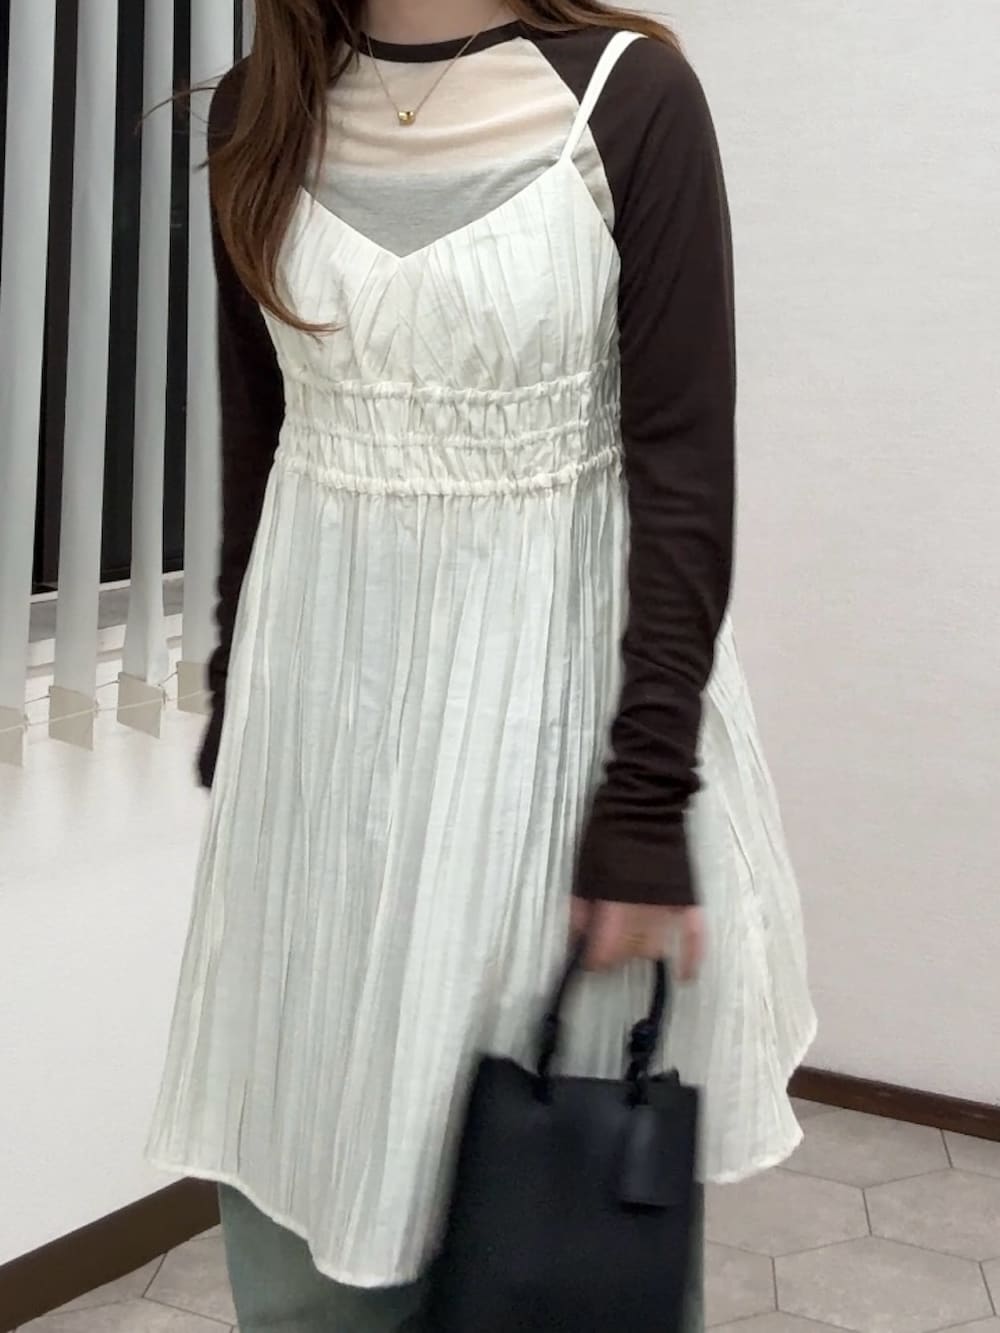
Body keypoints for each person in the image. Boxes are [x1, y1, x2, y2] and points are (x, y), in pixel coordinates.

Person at [149, 2, 816, 1328]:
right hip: (323, 737)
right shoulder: (254, 113)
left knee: (546, 1220)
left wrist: (643, 807)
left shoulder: (630, 98)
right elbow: (260, 436)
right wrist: (238, 691)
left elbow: (682, 473)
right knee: (309, 1210)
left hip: (551, 738)